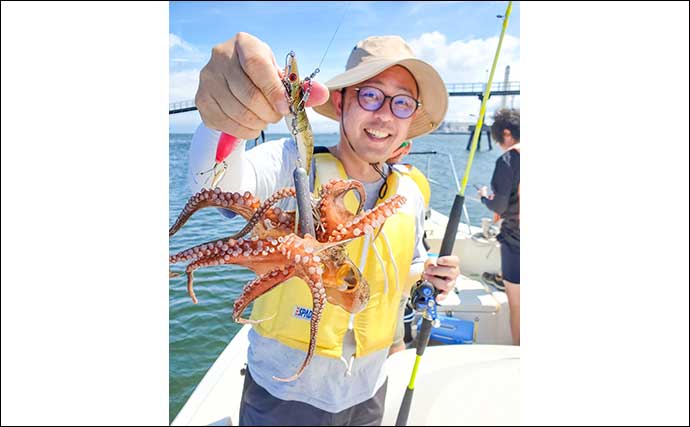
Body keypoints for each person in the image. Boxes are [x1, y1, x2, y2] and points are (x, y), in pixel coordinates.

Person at [189, 33, 460, 425]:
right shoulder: (291, 164)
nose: (384, 114)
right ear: (341, 100)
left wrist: (431, 276)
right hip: (284, 394)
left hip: (369, 389)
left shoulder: (411, 194)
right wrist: (224, 124)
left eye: (401, 102)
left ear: (410, 117)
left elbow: (409, 267)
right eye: (370, 95)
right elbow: (213, 186)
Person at [477, 108, 520, 345]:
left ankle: (518, 357)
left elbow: (500, 206)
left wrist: (484, 196)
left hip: (517, 244)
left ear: (506, 133)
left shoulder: (509, 160)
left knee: (517, 305)